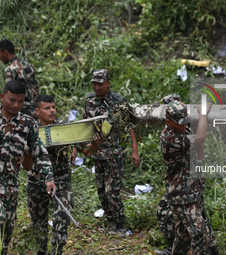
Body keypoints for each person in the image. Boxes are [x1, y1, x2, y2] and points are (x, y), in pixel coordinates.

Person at [26, 95, 103, 255]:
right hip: (37, 183)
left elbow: (87, 152)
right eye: (47, 108)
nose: (52, 110)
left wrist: (95, 143)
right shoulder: (30, 131)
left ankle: (57, 252)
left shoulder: (65, 130)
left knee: (61, 221)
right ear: (37, 111)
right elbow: (24, 164)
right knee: (38, 227)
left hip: (62, 182)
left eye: (53, 107)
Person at [79, 69, 140, 235]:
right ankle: (110, 223)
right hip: (97, 153)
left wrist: (135, 151)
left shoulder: (118, 101)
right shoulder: (89, 100)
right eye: (94, 84)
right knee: (101, 192)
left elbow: (130, 126)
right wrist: (83, 147)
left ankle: (120, 225)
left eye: (100, 84)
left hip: (114, 154)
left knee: (112, 191)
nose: (96, 87)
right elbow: (84, 124)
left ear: (108, 83)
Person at [155, 95, 218, 255]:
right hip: (181, 195)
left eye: (186, 121)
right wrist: (203, 114)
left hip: (193, 190)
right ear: (168, 122)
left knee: (183, 237)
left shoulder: (184, 129)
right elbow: (201, 137)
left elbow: (200, 152)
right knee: (200, 233)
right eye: (180, 122)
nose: (184, 125)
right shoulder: (169, 137)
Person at [0, 80, 56, 254]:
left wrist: (49, 178)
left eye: (21, 101)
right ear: (2, 97)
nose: (16, 105)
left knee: (6, 231)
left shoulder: (27, 124)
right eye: (12, 100)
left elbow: (40, 152)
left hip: (9, 188)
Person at [0, 39, 39, 117]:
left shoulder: (10, 69)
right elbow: (36, 86)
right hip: (35, 109)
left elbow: (10, 93)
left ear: (5, 52)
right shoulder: (28, 65)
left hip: (21, 111)